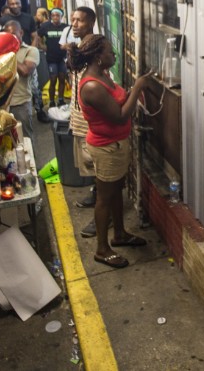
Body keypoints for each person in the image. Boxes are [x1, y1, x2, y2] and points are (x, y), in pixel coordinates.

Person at [67, 34, 153, 270]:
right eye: (109, 51)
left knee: (116, 190)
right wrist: (137, 87)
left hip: (115, 145)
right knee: (105, 198)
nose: (114, 55)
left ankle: (120, 234)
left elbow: (118, 100)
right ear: (98, 57)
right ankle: (102, 249)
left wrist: (131, 93)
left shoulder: (102, 76)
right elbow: (120, 116)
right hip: (107, 148)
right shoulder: (92, 86)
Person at [63, 8, 103, 235]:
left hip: (89, 122)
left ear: (92, 22)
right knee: (90, 166)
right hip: (79, 118)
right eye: (73, 20)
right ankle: (96, 195)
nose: (75, 24)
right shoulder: (79, 48)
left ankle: (102, 215)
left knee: (98, 167)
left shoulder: (93, 48)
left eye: (80, 20)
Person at [4, 21, 39, 137]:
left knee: (25, 139)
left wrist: (8, 53)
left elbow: (25, 71)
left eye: (14, 34)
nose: (11, 37)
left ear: (21, 33)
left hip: (21, 103)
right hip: (2, 105)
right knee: (5, 142)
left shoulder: (31, 50)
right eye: (7, 35)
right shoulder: (0, 51)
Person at [36, 9, 70, 107]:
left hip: (62, 58)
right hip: (51, 58)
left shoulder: (65, 27)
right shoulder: (45, 26)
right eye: (53, 15)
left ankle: (61, 99)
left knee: (62, 79)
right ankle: (51, 101)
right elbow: (38, 36)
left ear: (61, 16)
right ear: (51, 16)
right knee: (53, 79)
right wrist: (42, 46)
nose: (55, 17)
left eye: (57, 15)